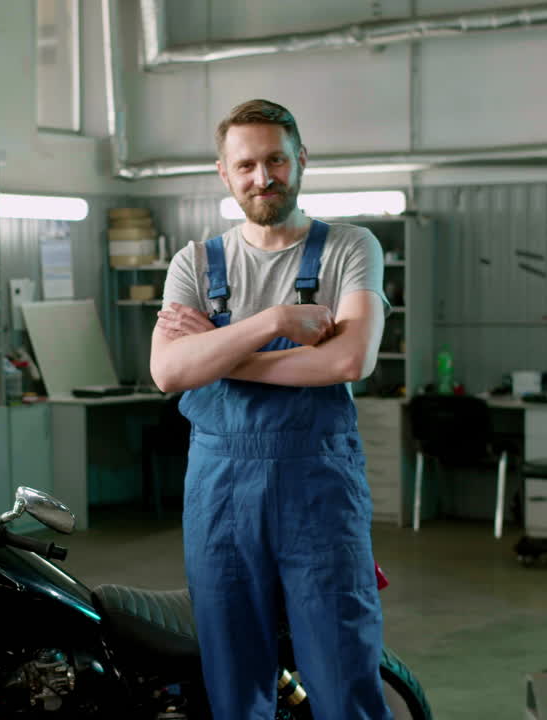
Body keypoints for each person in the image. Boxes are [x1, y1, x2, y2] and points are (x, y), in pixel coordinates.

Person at [150, 98, 392, 719]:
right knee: (232, 680)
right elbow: (169, 372)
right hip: (219, 491)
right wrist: (279, 322)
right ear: (224, 173)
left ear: (301, 160)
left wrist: (222, 354)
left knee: (342, 671)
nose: (264, 177)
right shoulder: (195, 264)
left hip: (318, 486)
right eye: (248, 164)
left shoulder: (348, 249)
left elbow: (347, 362)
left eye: (277, 160)